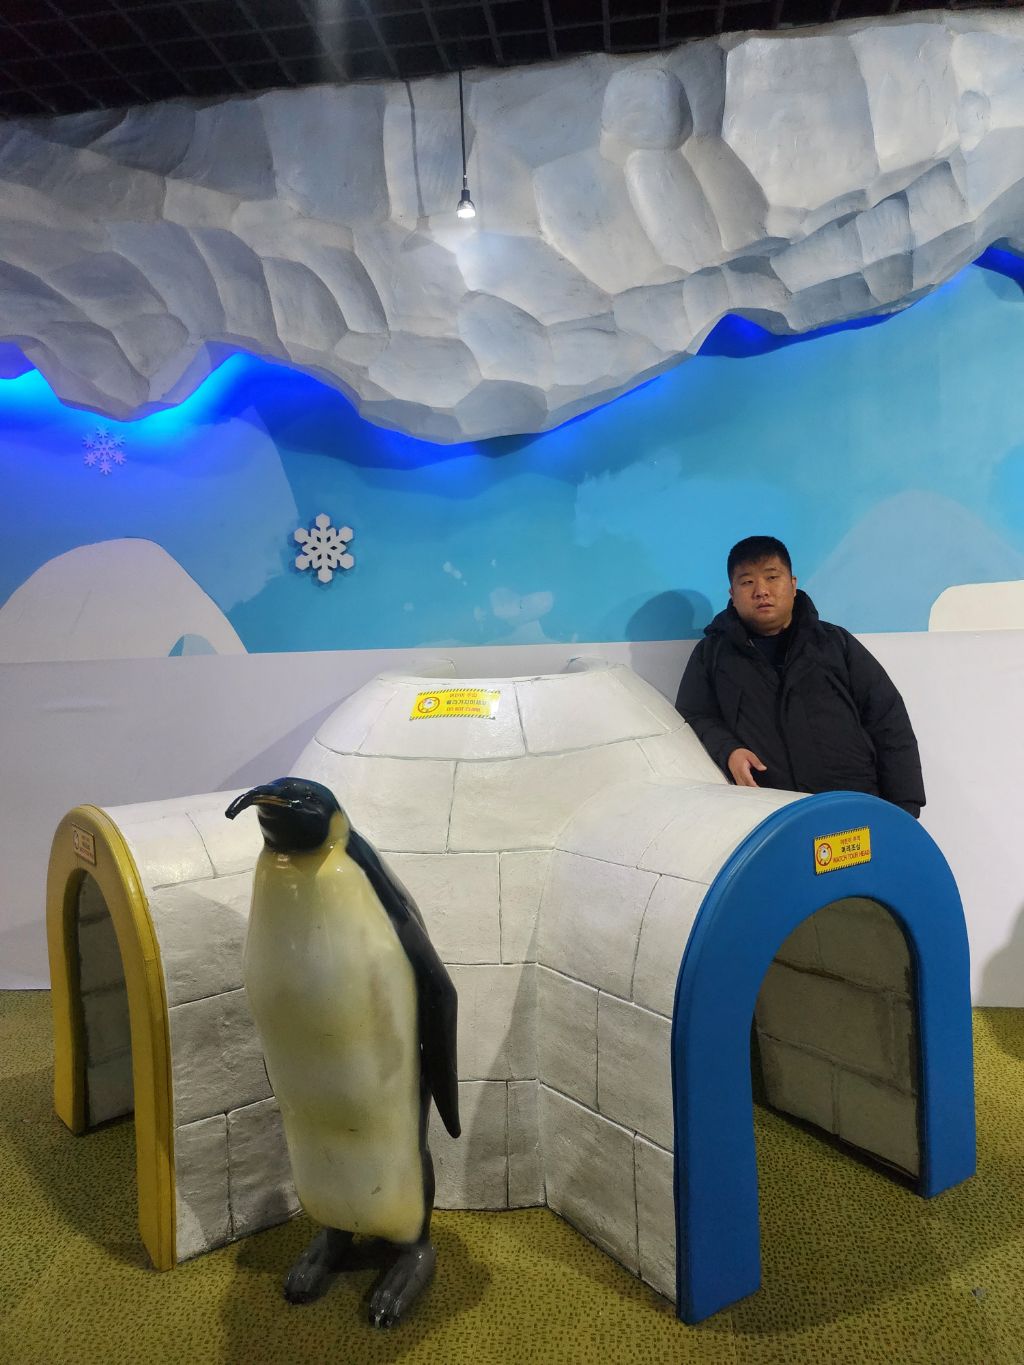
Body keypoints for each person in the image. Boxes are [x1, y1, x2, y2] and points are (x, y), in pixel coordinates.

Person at [675, 535, 925, 816]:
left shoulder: (834, 643)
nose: (761, 591)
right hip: (769, 814)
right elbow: (693, 716)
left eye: (772, 577)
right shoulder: (712, 655)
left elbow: (888, 719)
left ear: (793, 585)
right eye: (747, 582)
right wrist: (729, 751)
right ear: (732, 594)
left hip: (851, 807)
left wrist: (905, 806)